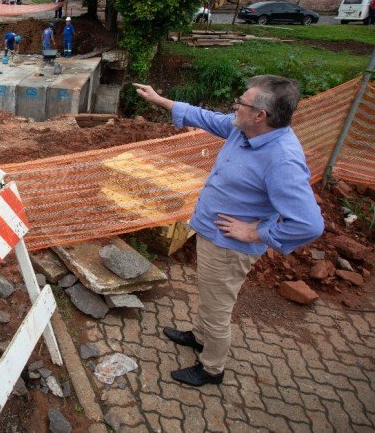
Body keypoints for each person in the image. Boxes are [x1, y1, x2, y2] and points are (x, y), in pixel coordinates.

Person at [133, 76, 324, 388]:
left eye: (242, 102)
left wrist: (257, 232)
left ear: (260, 115)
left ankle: (211, 368)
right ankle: (198, 337)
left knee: (217, 308)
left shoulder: (282, 159)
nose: (235, 106)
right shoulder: (244, 129)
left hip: (229, 247)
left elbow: (309, 223)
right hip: (213, 235)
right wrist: (160, 100)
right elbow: (206, 118)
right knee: (210, 299)